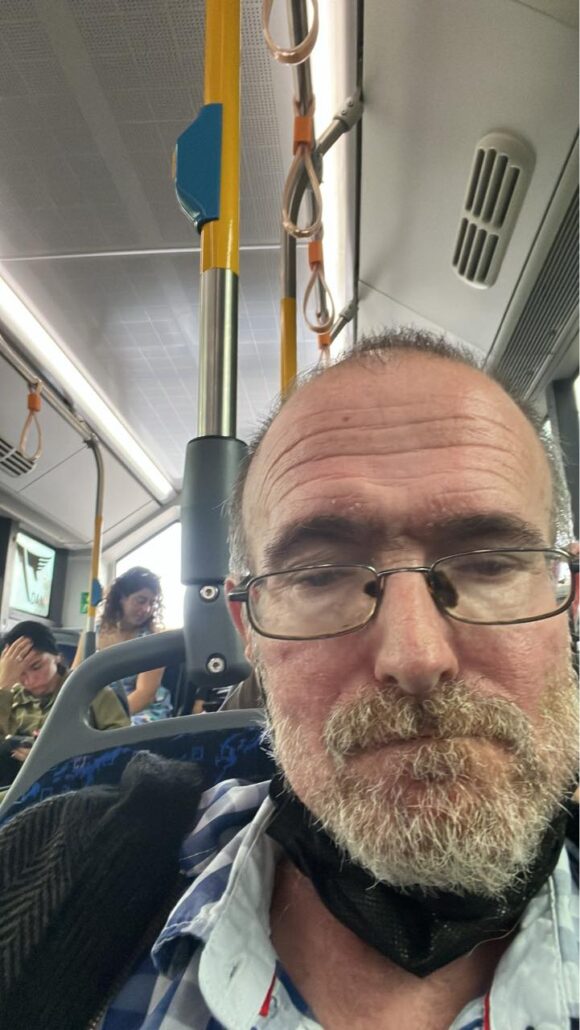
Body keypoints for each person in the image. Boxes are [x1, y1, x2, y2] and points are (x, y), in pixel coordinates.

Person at [1, 330, 578, 1029]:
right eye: (321, 575)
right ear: (249, 631)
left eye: (489, 564)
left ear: (568, 603)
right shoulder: (47, 869)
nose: (417, 657)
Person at [0, 620, 129, 785]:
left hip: (75, 784)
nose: (30, 680)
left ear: (57, 657)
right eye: (20, 672)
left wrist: (53, 760)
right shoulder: (10, 697)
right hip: (14, 786)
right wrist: (3, 686)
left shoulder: (90, 691)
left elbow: (122, 751)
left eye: (37, 667)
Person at [73, 566, 172, 724]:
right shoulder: (92, 633)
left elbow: (145, 694)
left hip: (140, 710)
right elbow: (75, 677)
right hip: (98, 708)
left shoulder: (153, 640)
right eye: (140, 601)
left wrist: (105, 720)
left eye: (152, 603)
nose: (146, 609)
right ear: (122, 598)